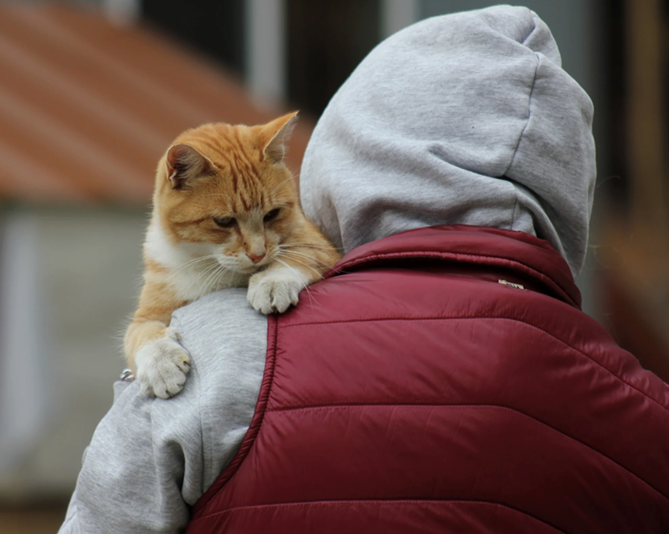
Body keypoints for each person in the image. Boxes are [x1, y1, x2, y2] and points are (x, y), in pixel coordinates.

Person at [58, 5, 669, 533]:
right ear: (566, 188)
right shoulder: (646, 417)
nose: (253, 244)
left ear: (343, 165)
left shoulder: (213, 354)